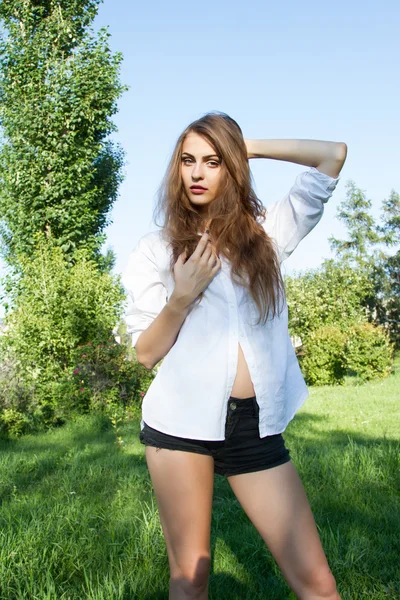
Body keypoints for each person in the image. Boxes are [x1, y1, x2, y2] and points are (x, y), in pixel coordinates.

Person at [121, 111, 347, 600]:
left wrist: (246, 145)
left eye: (213, 161)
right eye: (188, 161)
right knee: (191, 577)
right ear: (176, 169)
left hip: (253, 423)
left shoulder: (266, 235)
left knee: (318, 583)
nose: (198, 172)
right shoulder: (155, 249)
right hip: (180, 425)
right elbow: (145, 353)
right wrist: (181, 297)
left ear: (232, 168)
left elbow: (332, 156)